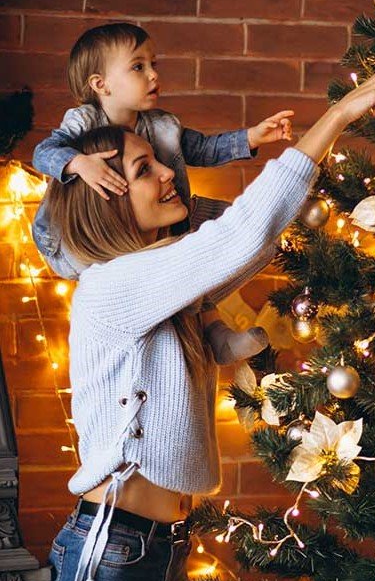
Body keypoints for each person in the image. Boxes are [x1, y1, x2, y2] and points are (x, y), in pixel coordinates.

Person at [43, 44, 375, 581]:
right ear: (107, 199)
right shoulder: (113, 285)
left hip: (156, 544)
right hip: (113, 550)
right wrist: (338, 115)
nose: (170, 172)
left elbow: (246, 246)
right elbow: (241, 234)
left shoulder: (159, 282)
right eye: (144, 169)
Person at [32, 22, 294, 365]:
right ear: (101, 84)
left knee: (211, 237)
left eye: (154, 64)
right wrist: (78, 163)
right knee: (164, 277)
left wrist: (251, 138)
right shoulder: (84, 122)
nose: (153, 75)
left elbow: (201, 148)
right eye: (138, 67)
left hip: (157, 224)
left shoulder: (160, 125)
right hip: (91, 238)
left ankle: (214, 334)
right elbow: (43, 152)